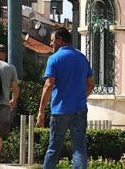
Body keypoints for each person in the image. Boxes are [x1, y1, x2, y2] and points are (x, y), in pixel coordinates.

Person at [37, 28, 94, 169]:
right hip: (79, 109)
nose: (51, 44)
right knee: (79, 148)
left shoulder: (54, 59)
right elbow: (91, 86)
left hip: (60, 110)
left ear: (60, 40)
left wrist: (41, 111)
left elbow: (48, 85)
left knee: (54, 148)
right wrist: (81, 98)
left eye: (52, 40)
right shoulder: (82, 58)